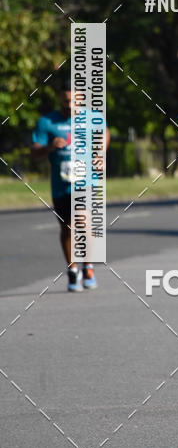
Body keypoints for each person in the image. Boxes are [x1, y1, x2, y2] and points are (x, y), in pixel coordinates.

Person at [31, 80, 110, 292]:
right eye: (66, 101)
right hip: (61, 184)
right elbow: (34, 151)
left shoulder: (93, 117)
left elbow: (104, 133)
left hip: (87, 181)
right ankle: (73, 269)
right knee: (67, 227)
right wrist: (49, 146)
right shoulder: (47, 122)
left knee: (83, 222)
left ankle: (89, 266)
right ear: (60, 98)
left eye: (74, 101)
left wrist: (100, 153)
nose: (70, 105)